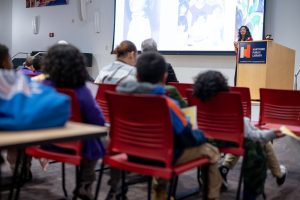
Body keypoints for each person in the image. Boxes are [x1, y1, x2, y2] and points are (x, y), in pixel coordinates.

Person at [115, 52, 222, 200]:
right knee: (212, 151)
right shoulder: (167, 104)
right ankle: (212, 197)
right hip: (161, 156)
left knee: (167, 146)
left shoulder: (120, 99)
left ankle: (160, 194)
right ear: (165, 77)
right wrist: (201, 135)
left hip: (130, 153)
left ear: (137, 76)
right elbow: (187, 136)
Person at [193, 70, 287, 198]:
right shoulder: (230, 106)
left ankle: (225, 168)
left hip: (208, 141)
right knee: (255, 142)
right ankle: (270, 180)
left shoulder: (197, 103)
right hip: (234, 139)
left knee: (249, 135)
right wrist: (271, 134)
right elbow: (253, 137)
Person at [42, 43, 106, 200]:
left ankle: (23, 169)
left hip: (44, 142)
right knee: (96, 140)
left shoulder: (42, 86)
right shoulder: (82, 91)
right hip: (77, 146)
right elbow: (97, 121)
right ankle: (85, 183)